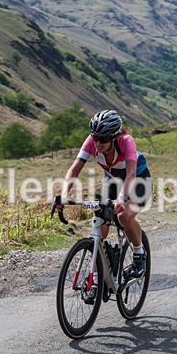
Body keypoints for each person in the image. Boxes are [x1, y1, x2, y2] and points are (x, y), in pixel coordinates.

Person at [59, 109, 152, 278]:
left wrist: (122, 198)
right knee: (99, 223)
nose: (98, 143)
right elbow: (74, 170)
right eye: (95, 137)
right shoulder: (91, 142)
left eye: (103, 139)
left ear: (114, 137)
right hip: (111, 180)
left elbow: (131, 173)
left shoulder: (126, 141)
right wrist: (63, 195)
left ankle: (139, 254)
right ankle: (96, 277)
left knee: (124, 217)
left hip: (138, 179)